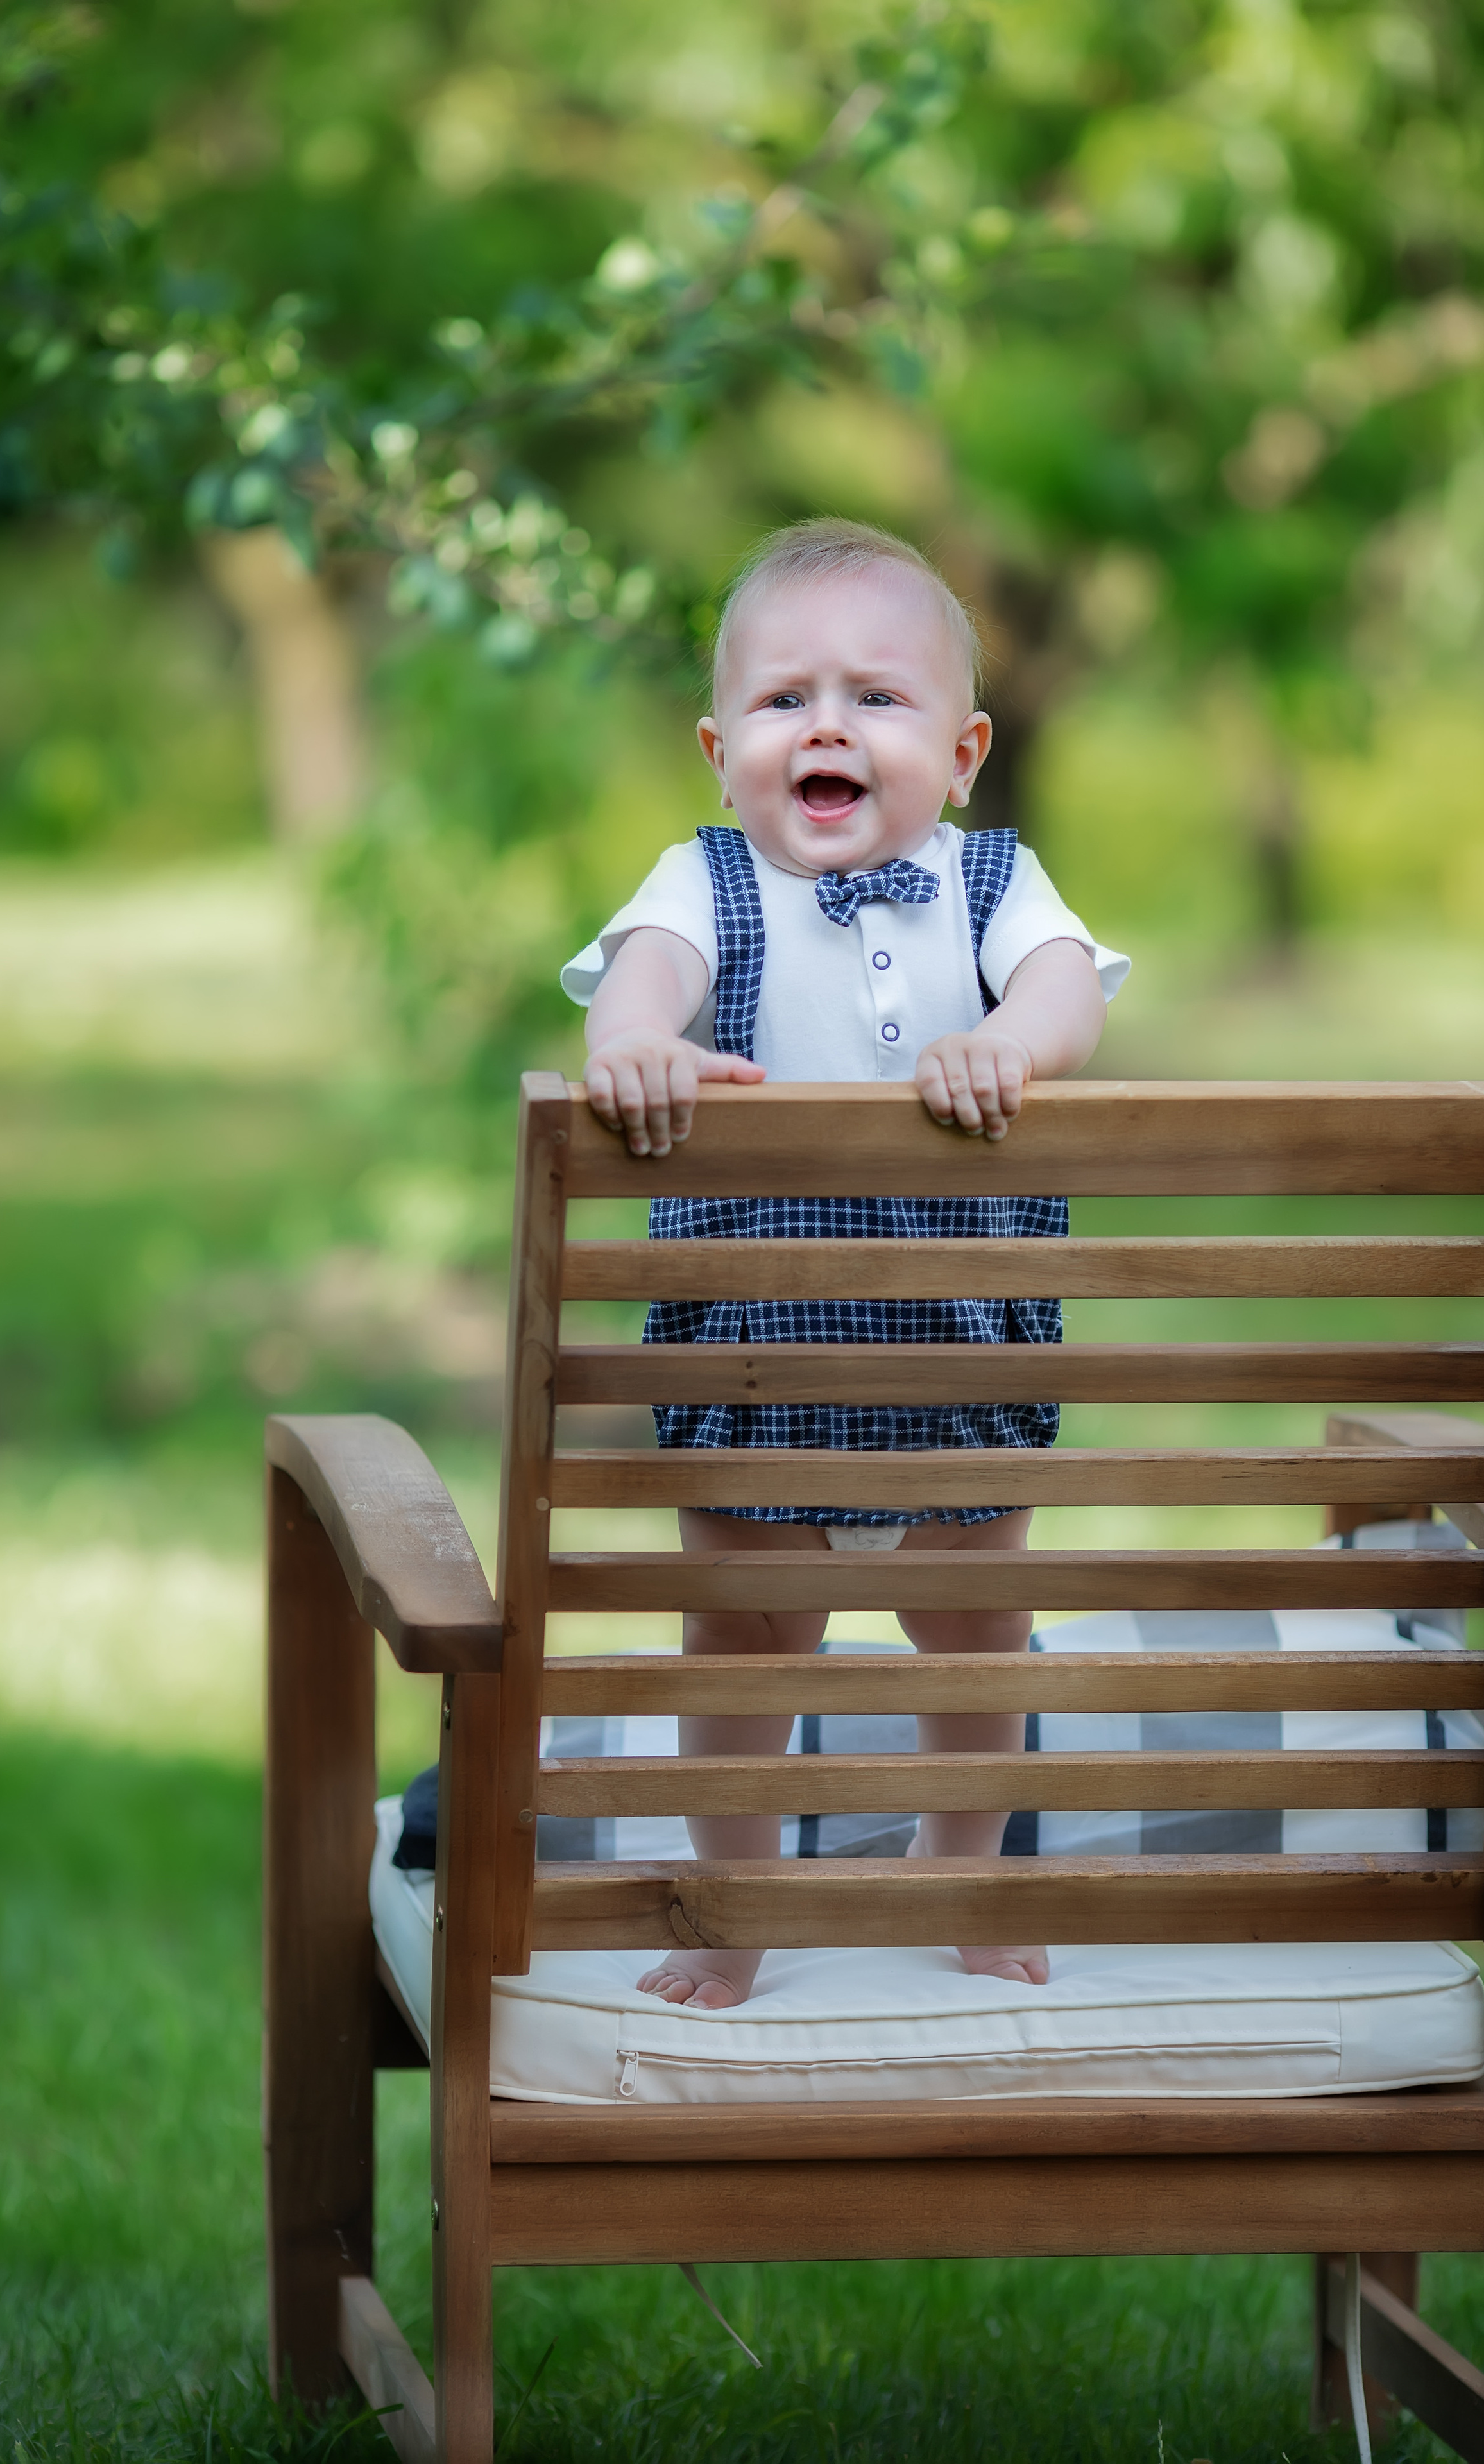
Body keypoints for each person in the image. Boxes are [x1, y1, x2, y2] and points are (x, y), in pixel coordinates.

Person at [560, 518, 1129, 2009]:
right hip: (763, 1386)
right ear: (716, 748)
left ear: (960, 752)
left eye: (875, 698)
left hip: (954, 1386)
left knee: (973, 1655)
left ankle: (960, 1883)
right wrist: (633, 1048)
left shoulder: (992, 885)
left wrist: (1009, 1041)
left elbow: (1069, 990)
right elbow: (645, 981)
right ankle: (731, 1914)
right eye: (781, 700)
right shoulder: (701, 884)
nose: (824, 724)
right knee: (741, 1666)